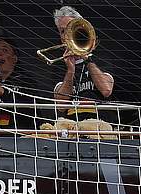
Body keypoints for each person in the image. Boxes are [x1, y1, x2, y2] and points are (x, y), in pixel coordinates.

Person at [47, 6, 116, 138]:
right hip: (71, 133)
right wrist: (70, 71)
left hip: (100, 131)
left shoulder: (100, 58)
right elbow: (61, 105)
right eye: (62, 31)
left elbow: (106, 89)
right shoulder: (59, 64)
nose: (65, 35)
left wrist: (87, 59)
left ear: (79, 27)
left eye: (69, 28)